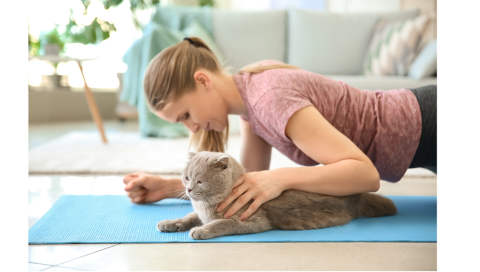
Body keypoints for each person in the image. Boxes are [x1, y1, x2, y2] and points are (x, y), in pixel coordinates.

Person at [123, 37, 437, 222]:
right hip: (425, 137)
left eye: (185, 115)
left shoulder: (269, 98)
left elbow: (364, 175)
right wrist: (168, 188)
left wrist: (279, 178)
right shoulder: (249, 101)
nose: (190, 127)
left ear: (203, 81)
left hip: (433, 122)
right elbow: (243, 188)